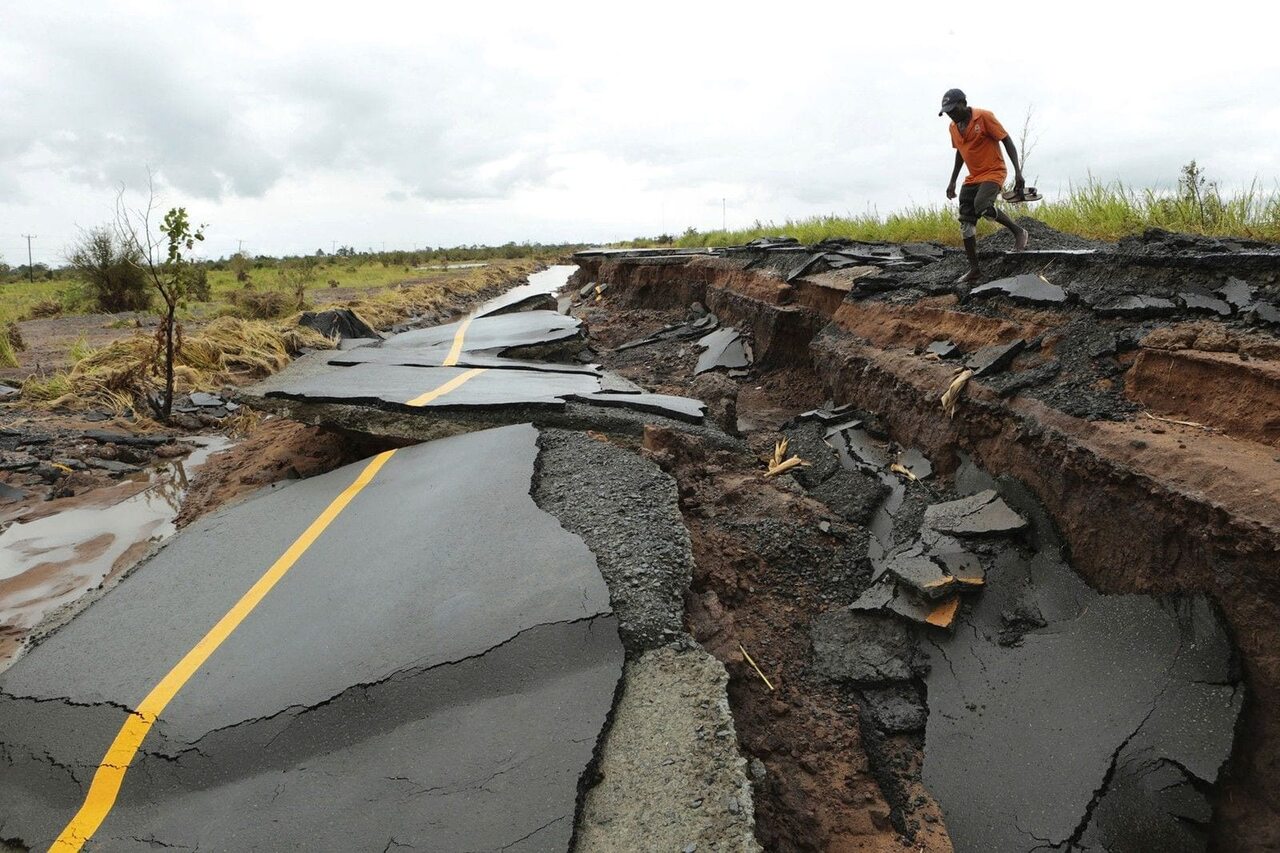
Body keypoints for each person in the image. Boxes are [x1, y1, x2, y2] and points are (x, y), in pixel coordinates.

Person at [939, 88, 1029, 283]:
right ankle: (974, 270)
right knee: (966, 221)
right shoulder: (953, 128)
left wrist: (1018, 171)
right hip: (973, 177)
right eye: (947, 112)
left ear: (964, 103)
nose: (951, 115)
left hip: (994, 171)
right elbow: (960, 152)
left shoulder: (984, 117)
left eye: (953, 110)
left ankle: (1019, 232)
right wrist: (953, 180)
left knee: (982, 206)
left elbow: (1006, 140)